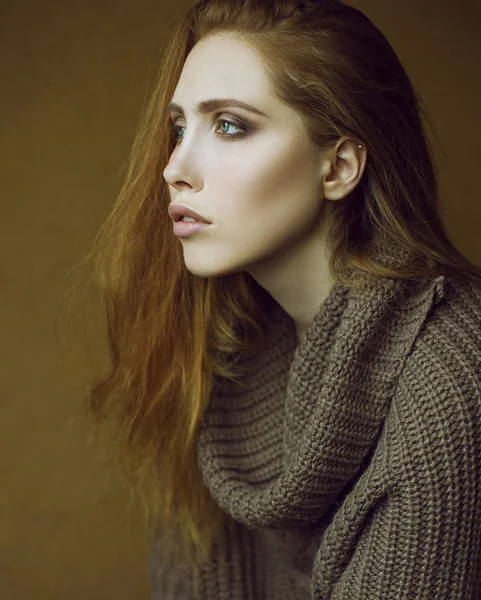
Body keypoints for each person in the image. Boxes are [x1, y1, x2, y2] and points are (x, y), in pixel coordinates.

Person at [71, 0, 481, 597]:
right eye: (179, 128)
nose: (174, 169)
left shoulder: (451, 373)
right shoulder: (222, 363)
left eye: (230, 125)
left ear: (338, 166)